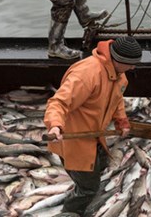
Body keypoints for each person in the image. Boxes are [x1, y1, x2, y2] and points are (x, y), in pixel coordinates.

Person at [43, 36, 141, 216]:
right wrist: (55, 126)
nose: (134, 68)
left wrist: (121, 121)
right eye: (131, 64)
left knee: (100, 166)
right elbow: (58, 103)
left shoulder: (119, 75)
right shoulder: (87, 74)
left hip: (97, 136)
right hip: (75, 140)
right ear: (119, 60)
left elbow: (117, 99)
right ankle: (70, 212)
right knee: (88, 188)